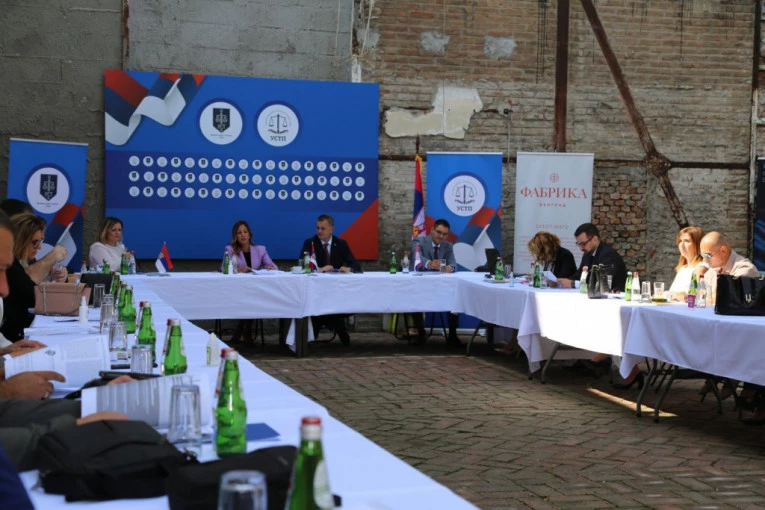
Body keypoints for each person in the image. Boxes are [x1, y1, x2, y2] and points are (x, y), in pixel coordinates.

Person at [695, 231, 760, 401]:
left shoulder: (744, 269)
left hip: (743, 335)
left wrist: (706, 295)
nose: (705, 260)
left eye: (708, 255)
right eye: (702, 256)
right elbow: (700, 296)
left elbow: (721, 299)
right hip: (720, 328)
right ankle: (715, 375)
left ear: (723, 251)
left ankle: (727, 376)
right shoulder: (712, 270)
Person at [299, 214, 361, 345]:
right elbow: (302, 266)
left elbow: (356, 264)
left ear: (331, 229)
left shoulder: (341, 244)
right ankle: (333, 327)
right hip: (316, 292)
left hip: (337, 291)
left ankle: (330, 324)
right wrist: (319, 269)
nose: (319, 231)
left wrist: (348, 268)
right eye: (317, 228)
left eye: (323, 228)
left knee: (335, 305)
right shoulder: (310, 243)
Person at [409, 219, 461, 347]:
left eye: (445, 234)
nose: (441, 236)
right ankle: (421, 333)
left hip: (441, 287)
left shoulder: (448, 246)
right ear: (432, 230)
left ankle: (452, 336)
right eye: (439, 232)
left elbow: (453, 263)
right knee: (412, 297)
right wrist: (429, 264)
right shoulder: (419, 241)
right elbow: (416, 256)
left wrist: (449, 268)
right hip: (420, 287)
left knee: (454, 297)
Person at [225, 220, 276, 343]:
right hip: (236, 289)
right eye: (239, 233)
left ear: (249, 234)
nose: (243, 235)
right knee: (249, 298)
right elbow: (224, 268)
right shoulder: (230, 249)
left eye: (245, 232)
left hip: (255, 289)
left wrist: (270, 267)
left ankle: (242, 330)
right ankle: (245, 330)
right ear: (235, 236)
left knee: (253, 297)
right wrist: (239, 269)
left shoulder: (260, 250)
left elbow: (272, 265)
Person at [558, 223, 627, 292]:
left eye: (583, 244)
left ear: (595, 239)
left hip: (612, 296)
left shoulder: (609, 255)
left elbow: (603, 284)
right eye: (578, 244)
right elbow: (580, 275)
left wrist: (574, 284)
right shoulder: (587, 253)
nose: (581, 248)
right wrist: (562, 282)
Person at [668, 226, 704, 302]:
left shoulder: (702, 268)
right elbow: (671, 293)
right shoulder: (683, 268)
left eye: (687, 241)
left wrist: (684, 296)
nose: (682, 245)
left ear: (697, 244)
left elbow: (698, 295)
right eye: (680, 241)